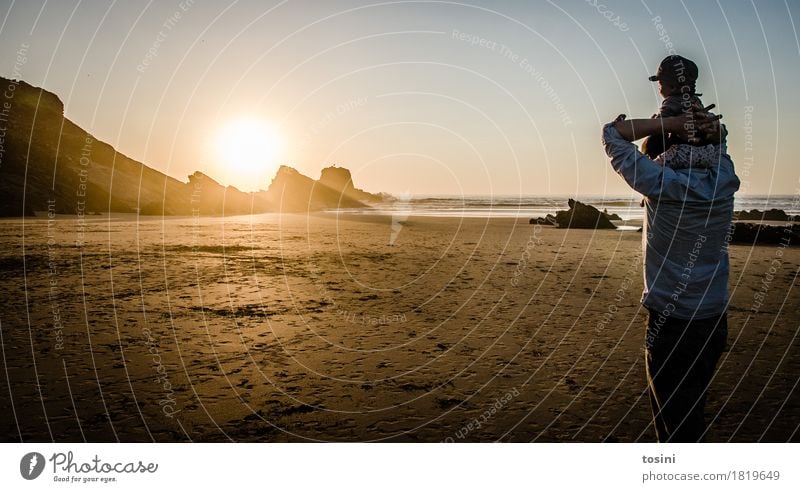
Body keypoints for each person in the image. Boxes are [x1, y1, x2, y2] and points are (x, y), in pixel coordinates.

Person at [602, 108, 740, 442]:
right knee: (691, 410)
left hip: (671, 319)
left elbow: (612, 134)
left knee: (674, 423)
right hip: (712, 316)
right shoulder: (724, 177)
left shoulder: (657, 182)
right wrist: (705, 129)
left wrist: (669, 123)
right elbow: (718, 143)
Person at [642, 55, 715, 160]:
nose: (658, 87)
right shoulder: (695, 100)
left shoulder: (671, 102)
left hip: (683, 152)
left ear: (672, 87)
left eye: (660, 83)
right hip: (707, 152)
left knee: (651, 159)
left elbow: (661, 125)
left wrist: (654, 121)